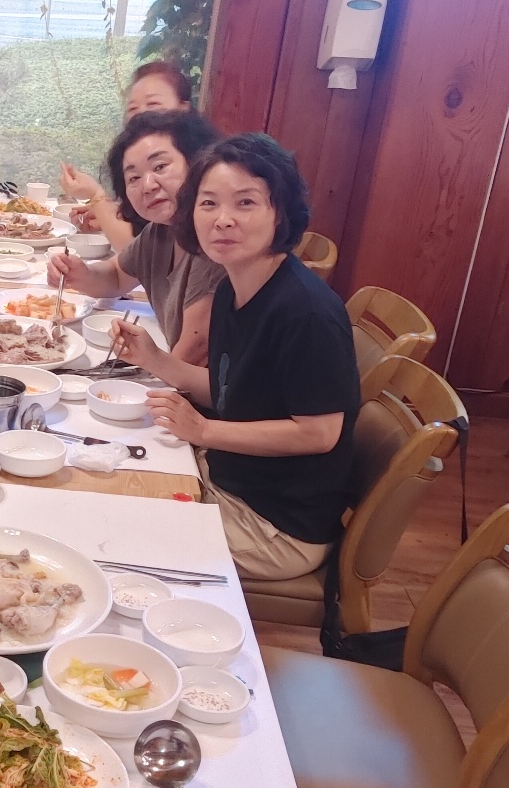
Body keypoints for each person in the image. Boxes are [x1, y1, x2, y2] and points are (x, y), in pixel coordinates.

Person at [113, 133, 358, 581]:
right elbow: (231, 391)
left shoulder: (306, 312)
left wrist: (204, 430)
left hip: (274, 525)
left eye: (245, 203)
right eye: (208, 204)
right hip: (228, 478)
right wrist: (154, 359)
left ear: (280, 213)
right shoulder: (233, 288)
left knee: (115, 537)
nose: (222, 220)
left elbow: (319, 433)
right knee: (109, 482)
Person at [47, 110, 223, 365]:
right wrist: (80, 274)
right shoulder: (160, 231)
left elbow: (190, 358)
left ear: (197, 162)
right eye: (134, 178)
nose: (148, 185)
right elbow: (117, 276)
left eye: (160, 167)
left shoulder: (214, 243)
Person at [62, 61, 198, 251]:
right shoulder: (135, 159)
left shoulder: (203, 177)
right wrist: (106, 214)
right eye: (133, 109)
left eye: (153, 104)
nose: (140, 115)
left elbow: (135, 250)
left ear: (184, 109)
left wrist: (97, 197)